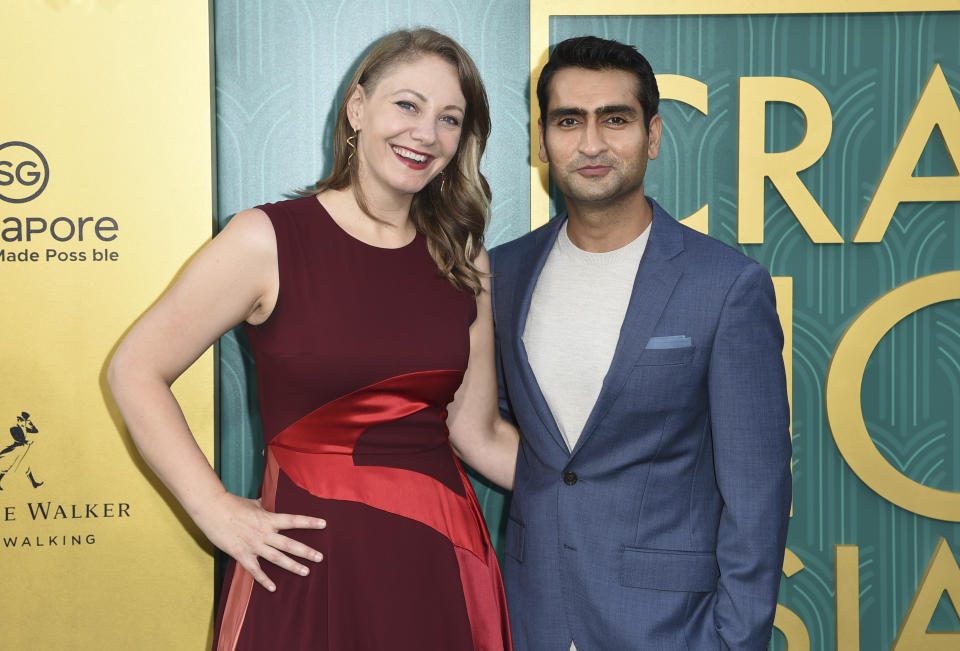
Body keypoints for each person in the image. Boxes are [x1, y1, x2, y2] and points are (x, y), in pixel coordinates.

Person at [109, 28, 516, 651]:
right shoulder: (265, 239)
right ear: (358, 108)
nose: (425, 134)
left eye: (449, 118)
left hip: (439, 566)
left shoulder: (464, 260)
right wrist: (214, 508)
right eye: (407, 105)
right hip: (307, 565)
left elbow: (477, 433)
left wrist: (607, 482)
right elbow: (133, 369)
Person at [490, 36, 791, 650]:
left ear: (652, 136)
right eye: (569, 121)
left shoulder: (727, 286)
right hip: (528, 616)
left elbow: (756, 496)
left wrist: (733, 642)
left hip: (668, 630)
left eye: (616, 119)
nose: (592, 143)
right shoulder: (499, 276)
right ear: (543, 140)